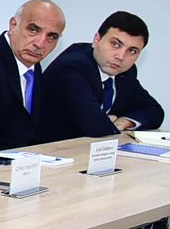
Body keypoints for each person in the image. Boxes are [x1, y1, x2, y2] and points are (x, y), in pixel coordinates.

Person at [36, 11, 163, 141]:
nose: (121, 57)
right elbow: (95, 127)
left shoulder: (125, 73)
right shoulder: (71, 67)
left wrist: (124, 122)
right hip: (49, 148)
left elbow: (155, 111)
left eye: (132, 51)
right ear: (96, 40)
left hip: (87, 147)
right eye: (115, 44)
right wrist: (107, 121)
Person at [0, 0, 66, 154]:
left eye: (51, 37)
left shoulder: (31, 62)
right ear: (13, 25)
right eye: (33, 30)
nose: (40, 44)